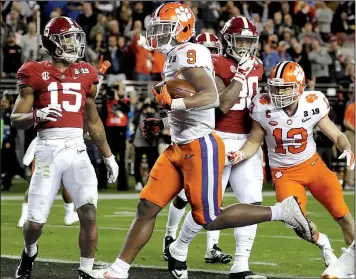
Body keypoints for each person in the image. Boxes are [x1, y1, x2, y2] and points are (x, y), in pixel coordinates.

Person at [79, 4, 313, 279]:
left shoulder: (190, 53)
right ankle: (118, 270)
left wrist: (173, 101)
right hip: (179, 145)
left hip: (200, 147)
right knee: (147, 206)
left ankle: (280, 211)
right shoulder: (175, 56)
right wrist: (165, 121)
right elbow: (194, 107)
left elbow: (210, 97)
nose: (158, 34)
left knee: (209, 219)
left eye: (165, 28)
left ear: (183, 29)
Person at [10, 16, 118, 279]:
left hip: (77, 150)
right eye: (67, 38)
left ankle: (86, 268)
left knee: (89, 212)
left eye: (74, 37)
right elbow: (16, 120)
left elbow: (92, 119)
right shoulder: (33, 71)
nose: (74, 43)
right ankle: (30, 251)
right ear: (52, 43)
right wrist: (38, 115)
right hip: (47, 149)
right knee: (34, 223)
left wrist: (108, 156)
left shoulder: (86, 73)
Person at [163, 18, 267, 279]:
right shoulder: (215, 63)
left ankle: (241, 265)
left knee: (252, 202)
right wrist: (241, 75)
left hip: (246, 141)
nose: (243, 46)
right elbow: (222, 104)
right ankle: (179, 246)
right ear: (227, 40)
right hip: (217, 137)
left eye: (248, 41)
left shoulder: (258, 66)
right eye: (239, 40)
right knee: (208, 205)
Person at [228, 61, 355, 268]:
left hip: (313, 166)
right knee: (297, 223)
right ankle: (324, 243)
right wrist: (241, 155)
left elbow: (337, 135)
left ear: (299, 86)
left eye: (284, 88)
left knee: (344, 216)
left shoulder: (312, 103)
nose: (277, 92)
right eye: (275, 87)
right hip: (284, 173)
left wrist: (347, 149)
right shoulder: (262, 106)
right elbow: (253, 141)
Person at [343, 101, 355, 190]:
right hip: (351, 134)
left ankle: (352, 180)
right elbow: (346, 122)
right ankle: (349, 182)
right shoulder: (352, 107)